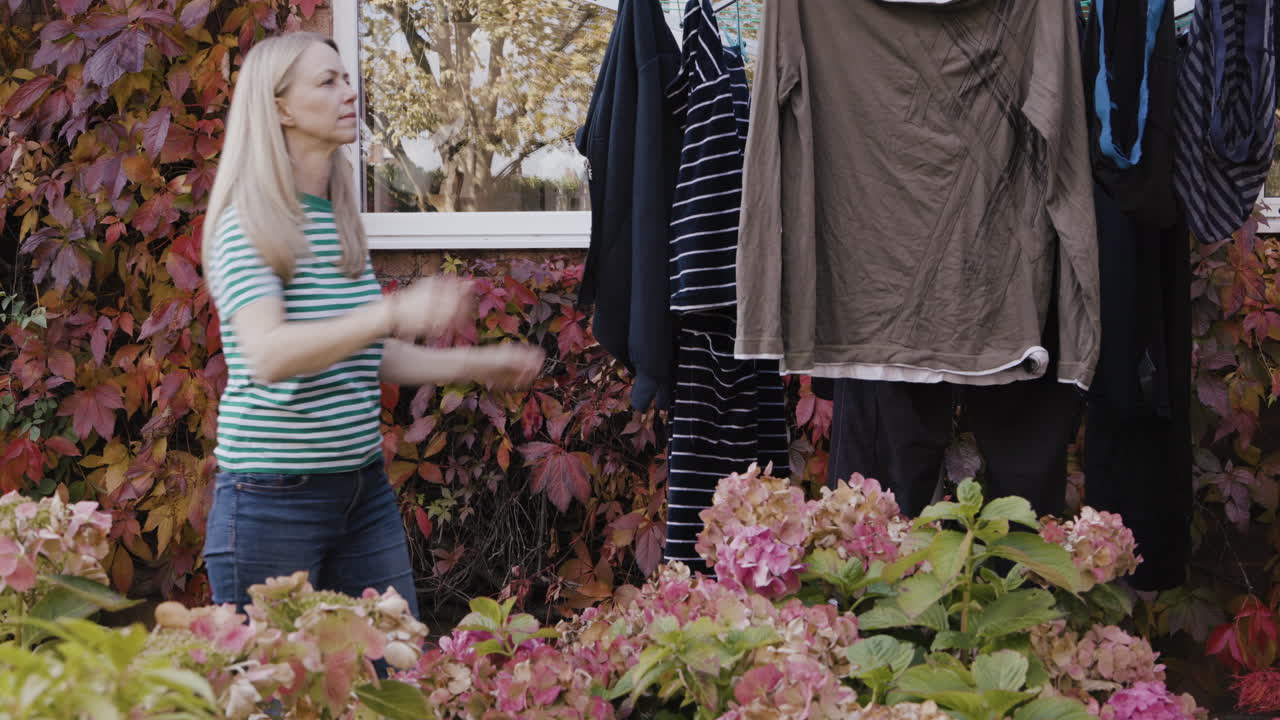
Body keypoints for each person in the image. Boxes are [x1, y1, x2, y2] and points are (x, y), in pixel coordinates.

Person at [200, 32, 545, 616]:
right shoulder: (248, 222)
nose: (348, 91)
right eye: (327, 81)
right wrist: (391, 311)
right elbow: (267, 355)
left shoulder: (335, 220)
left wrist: (480, 363)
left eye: (346, 78)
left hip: (361, 489)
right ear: (280, 107)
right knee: (278, 699)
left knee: (390, 681)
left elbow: (364, 354)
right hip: (272, 499)